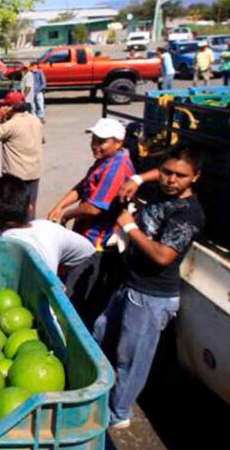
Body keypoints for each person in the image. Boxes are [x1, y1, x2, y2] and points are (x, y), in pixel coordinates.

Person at [93, 145, 204, 430]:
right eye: (166, 172)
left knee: (131, 359)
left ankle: (118, 414)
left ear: (195, 178)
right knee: (102, 332)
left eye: (180, 176)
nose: (170, 179)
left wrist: (130, 227)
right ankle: (97, 393)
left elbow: (163, 256)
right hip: (132, 285)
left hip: (152, 297)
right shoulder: (163, 188)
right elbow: (160, 171)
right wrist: (139, 179)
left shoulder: (188, 214)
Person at [47, 118, 135, 326]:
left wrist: (67, 215)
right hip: (84, 237)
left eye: (102, 141)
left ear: (118, 143)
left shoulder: (117, 168)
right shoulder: (105, 161)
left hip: (96, 245)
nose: (96, 144)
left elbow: (94, 208)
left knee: (77, 297)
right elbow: (83, 185)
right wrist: (59, 206)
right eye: (94, 139)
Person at [0, 174, 95, 274]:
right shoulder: (47, 226)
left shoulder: (4, 244)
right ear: (30, 209)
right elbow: (87, 250)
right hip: (56, 283)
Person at [0, 91, 44, 217]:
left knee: (15, 212)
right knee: (30, 210)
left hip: (15, 176)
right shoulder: (35, 120)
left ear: (10, 107)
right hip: (34, 172)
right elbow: (42, 139)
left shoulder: (11, 125)